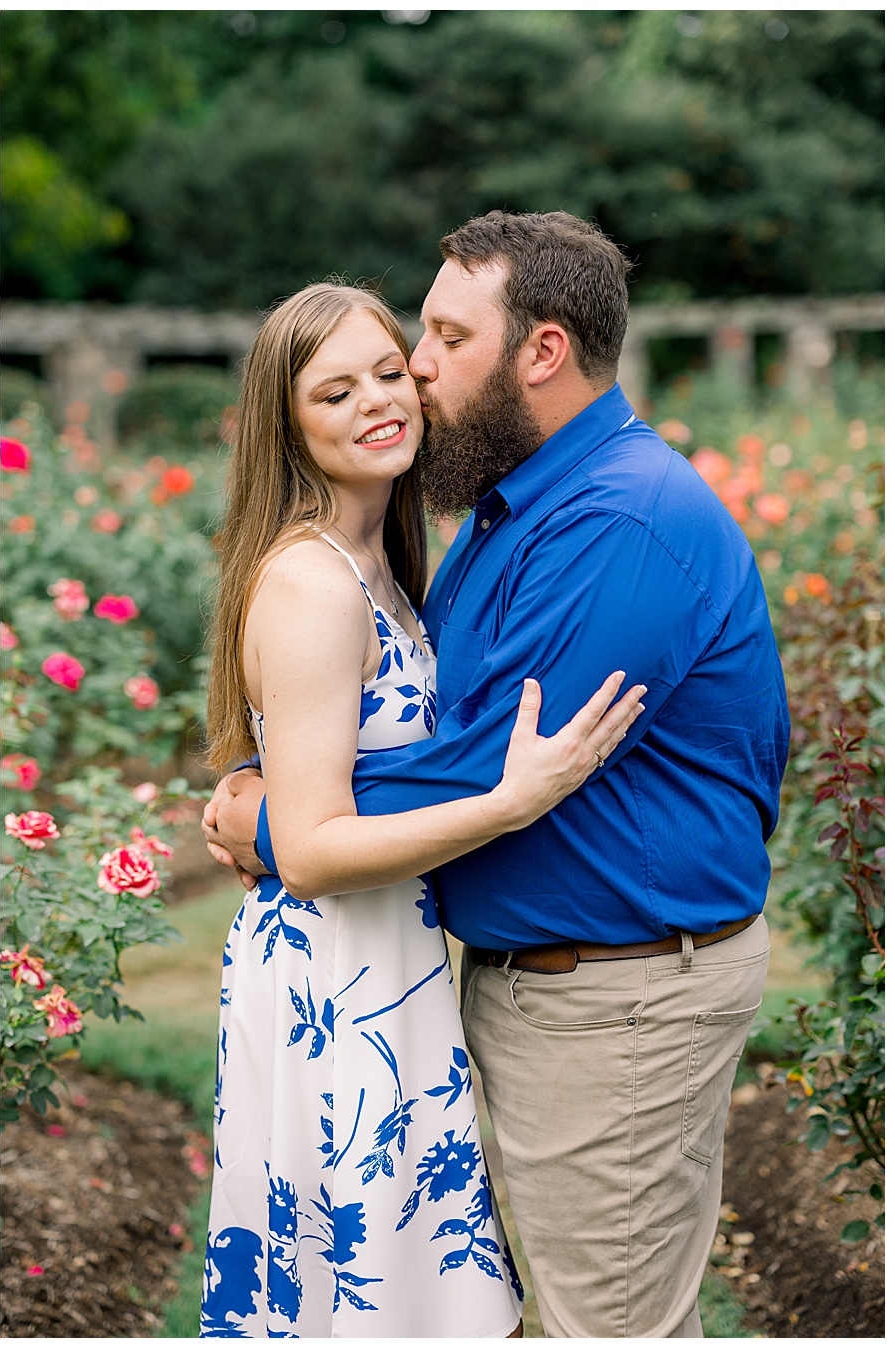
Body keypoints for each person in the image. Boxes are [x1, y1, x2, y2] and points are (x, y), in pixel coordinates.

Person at [206, 213, 788, 1338]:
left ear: (542, 352)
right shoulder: (510, 511)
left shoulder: (616, 520)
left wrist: (272, 823)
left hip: (613, 995)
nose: (414, 371)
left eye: (436, 338)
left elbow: (472, 764)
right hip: (478, 978)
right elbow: (429, 731)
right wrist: (275, 786)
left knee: (600, 1320)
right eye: (359, 376)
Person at [196, 278, 644, 1338]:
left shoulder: (384, 571)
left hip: (387, 962)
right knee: (368, 1292)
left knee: (406, 1287)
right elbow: (309, 850)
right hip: (332, 977)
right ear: (288, 425)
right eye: (333, 391)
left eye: (388, 374)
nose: (376, 403)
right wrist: (512, 799)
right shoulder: (311, 585)